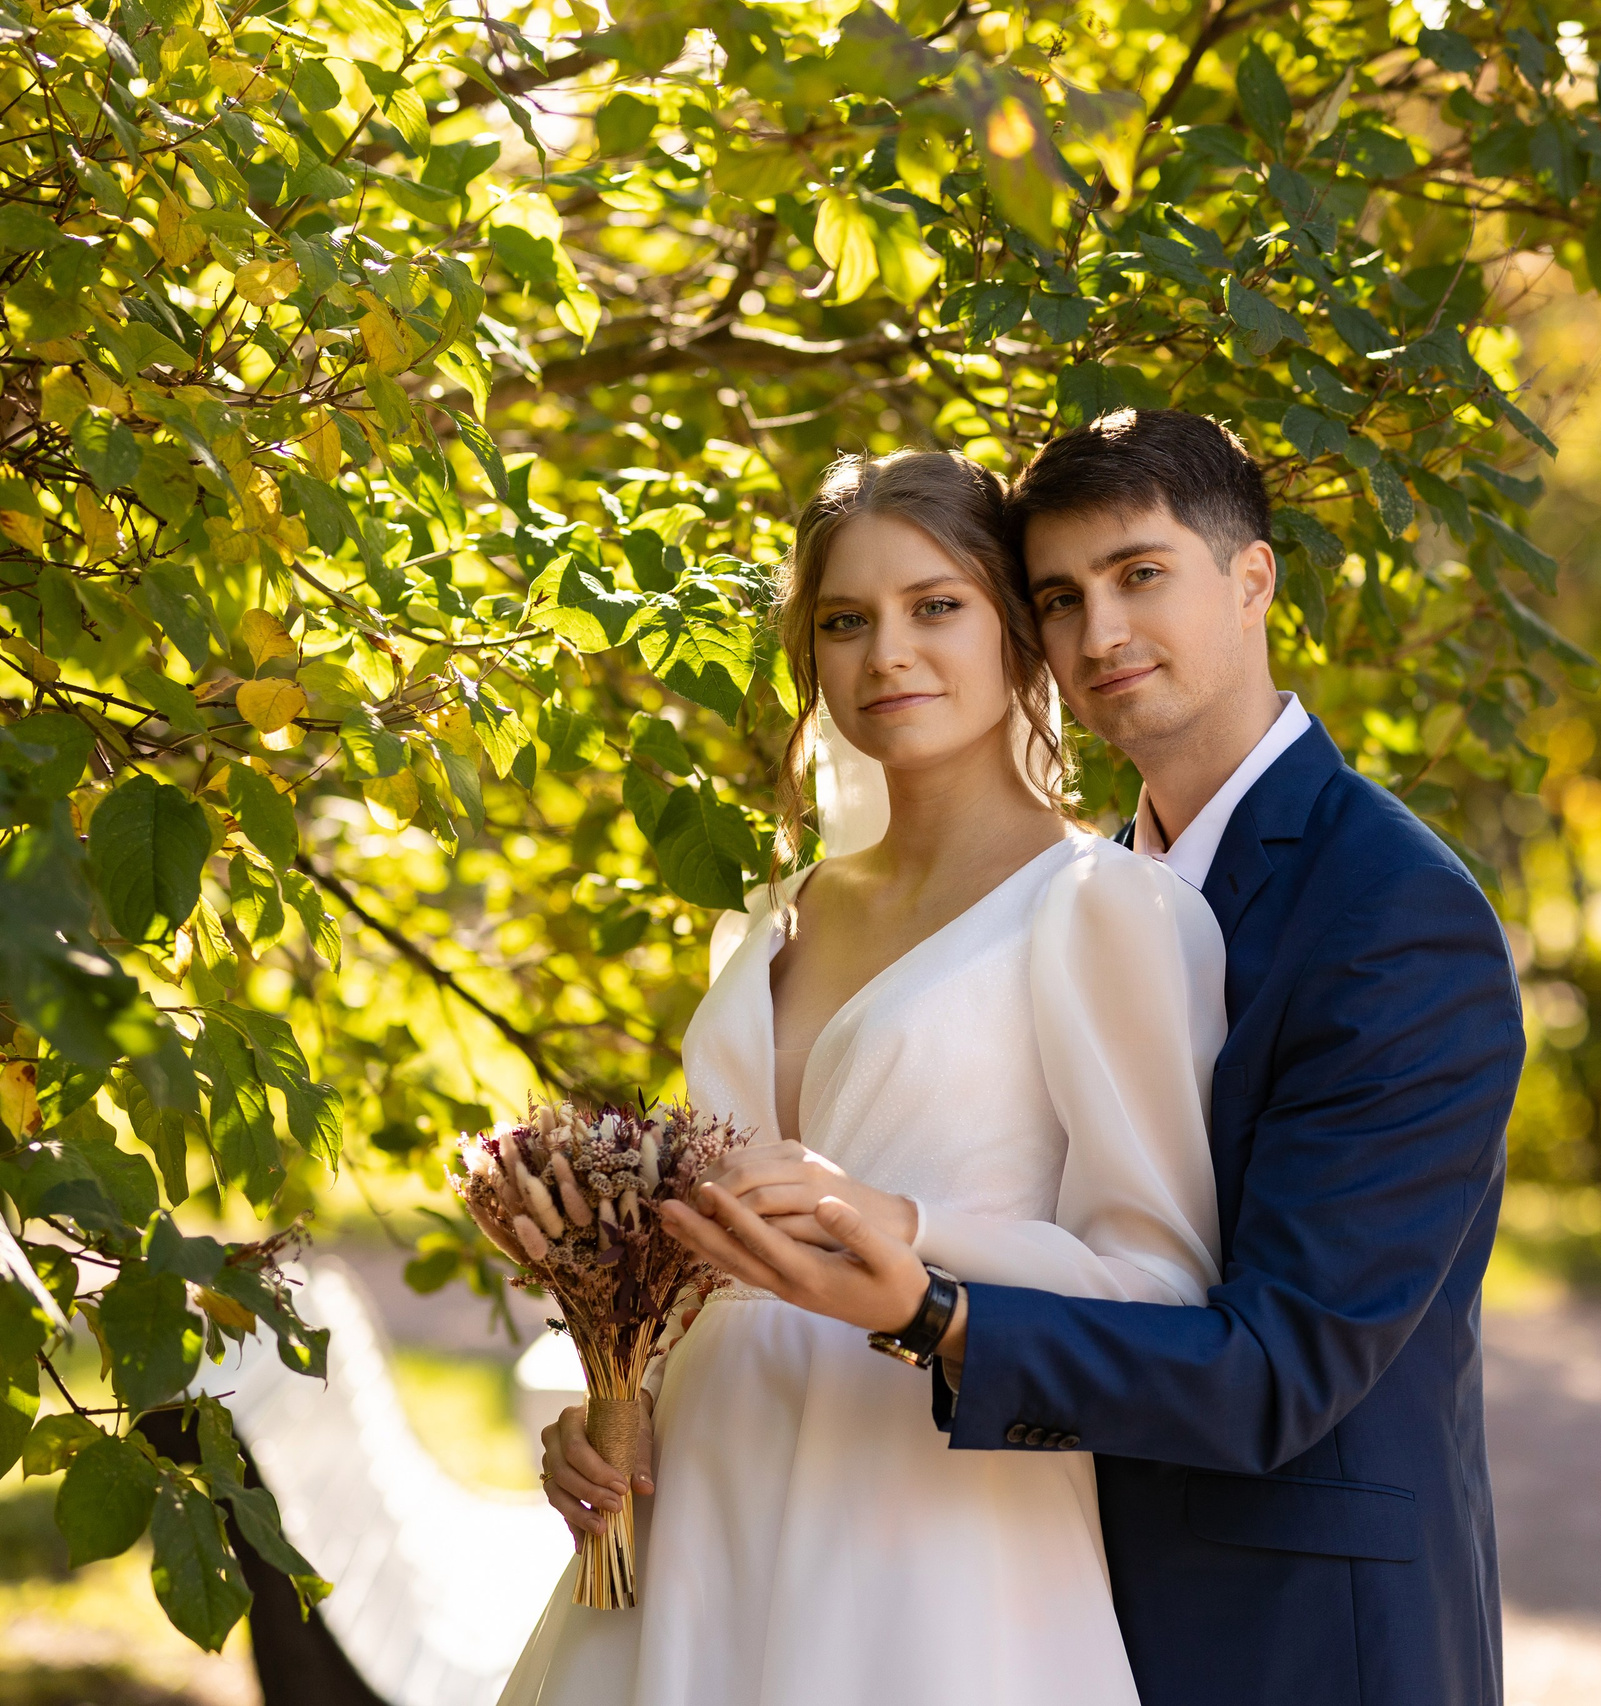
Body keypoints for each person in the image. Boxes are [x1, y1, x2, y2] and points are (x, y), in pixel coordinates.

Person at [660, 410, 1528, 1706]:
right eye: (1061, 596)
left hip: (1284, 1632)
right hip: (965, 1559)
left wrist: (932, 1302)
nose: (1100, 634)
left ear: (1252, 578)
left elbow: (1279, 1367)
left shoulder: (1392, 912)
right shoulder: (1087, 885)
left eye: (1141, 575)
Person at [500, 448, 1226, 1706]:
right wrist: (614, 1393)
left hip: (933, 1530)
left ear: (1016, 635)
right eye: (846, 621)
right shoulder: (773, 916)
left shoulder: (1104, 910)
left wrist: (914, 1233)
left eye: (935, 605)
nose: (887, 652)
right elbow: (712, 1243)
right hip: (698, 1508)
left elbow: (1163, 1288)